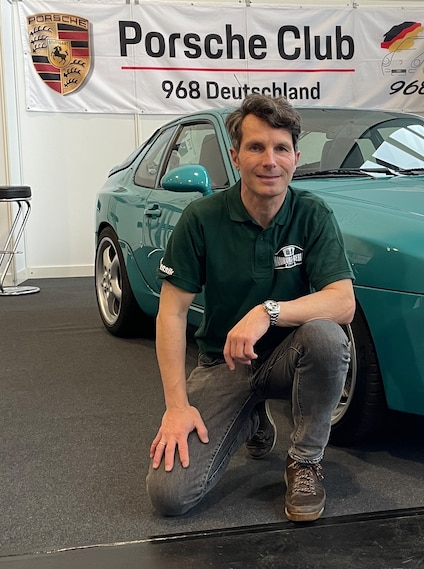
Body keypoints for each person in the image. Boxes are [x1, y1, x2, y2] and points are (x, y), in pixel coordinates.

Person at [145, 94, 355, 523]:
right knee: (169, 497)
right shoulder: (201, 218)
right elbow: (171, 313)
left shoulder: (313, 214)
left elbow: (343, 302)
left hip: (289, 357)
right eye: (256, 147)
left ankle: (305, 460)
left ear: (296, 157)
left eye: (280, 149)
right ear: (235, 156)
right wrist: (176, 407)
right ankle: (253, 419)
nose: (269, 160)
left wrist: (267, 312)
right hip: (224, 363)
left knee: (327, 336)